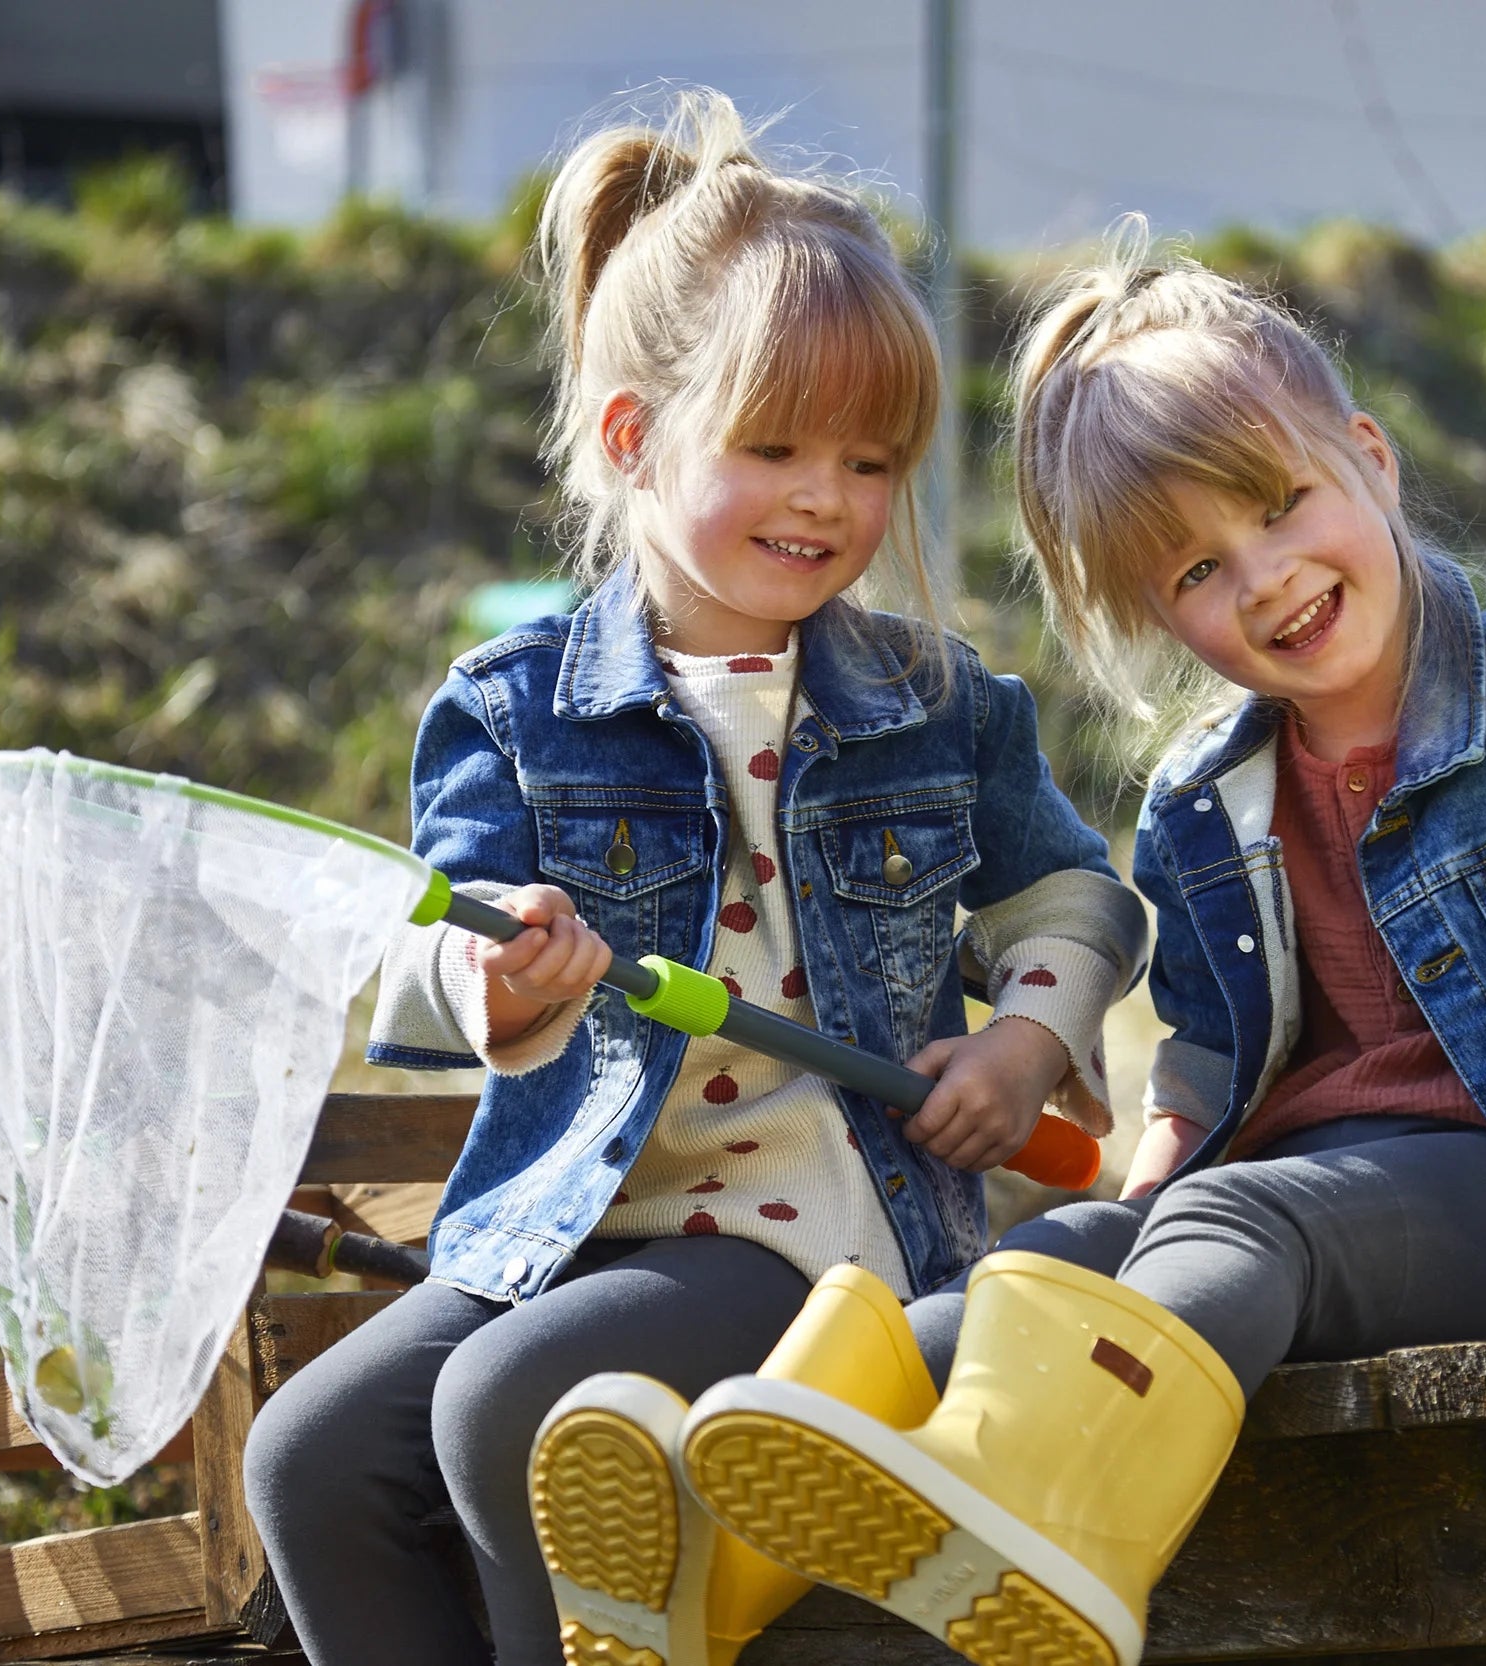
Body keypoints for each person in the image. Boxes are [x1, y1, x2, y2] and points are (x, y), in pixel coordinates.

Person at [241, 94, 1145, 1666]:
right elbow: (426, 945)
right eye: (773, 445)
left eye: (871, 463)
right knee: (311, 1455)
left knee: (514, 1398)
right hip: (575, 1234)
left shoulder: (936, 706)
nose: (827, 499)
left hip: (817, 1241)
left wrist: (1023, 1046)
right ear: (631, 435)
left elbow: (1076, 902)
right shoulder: (512, 708)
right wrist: (494, 983)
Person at [677, 221, 1486, 1666]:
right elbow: (1205, 1052)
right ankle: (717, 1553)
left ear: (1369, 460)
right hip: (1299, 1197)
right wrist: (1154, 1166)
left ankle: (1050, 1535)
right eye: (1191, 572)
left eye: (1280, 503)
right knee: (1049, 1259)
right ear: (1153, 615)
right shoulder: (1202, 795)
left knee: (1231, 1225)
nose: (1260, 580)